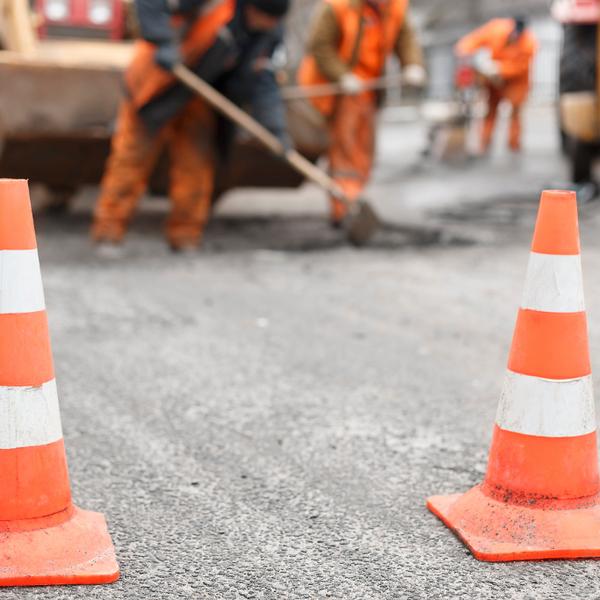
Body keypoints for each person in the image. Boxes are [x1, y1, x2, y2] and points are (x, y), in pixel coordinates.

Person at [91, 0, 290, 251]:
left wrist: (276, 131)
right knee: (132, 159)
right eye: (268, 19)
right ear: (252, 8)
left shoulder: (267, 34)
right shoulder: (214, 5)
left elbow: (263, 83)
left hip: (197, 93)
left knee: (195, 165)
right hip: (155, 84)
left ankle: (185, 236)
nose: (271, 25)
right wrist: (162, 41)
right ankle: (108, 232)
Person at [297, 0, 425, 225]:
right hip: (338, 91)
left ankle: (353, 201)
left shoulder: (395, 7)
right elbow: (319, 47)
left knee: (364, 152)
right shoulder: (337, 6)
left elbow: (405, 39)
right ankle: (344, 208)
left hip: (368, 90)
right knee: (345, 151)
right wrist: (342, 75)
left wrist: (412, 64)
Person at [455, 15, 538, 154]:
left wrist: (500, 69)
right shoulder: (496, 30)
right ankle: (485, 143)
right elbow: (474, 39)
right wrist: (465, 51)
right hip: (493, 81)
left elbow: (521, 66)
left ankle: (514, 145)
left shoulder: (529, 42)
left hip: (516, 82)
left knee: (515, 112)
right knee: (491, 111)